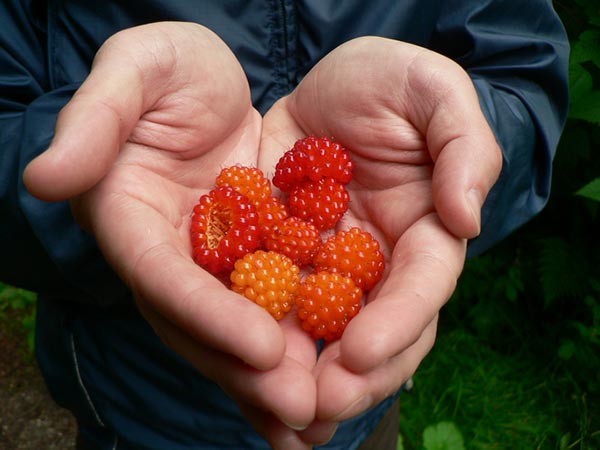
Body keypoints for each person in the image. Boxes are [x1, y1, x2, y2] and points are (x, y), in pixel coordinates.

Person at [1, 1, 569, 449]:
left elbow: (524, 67)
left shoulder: (310, 231)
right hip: (138, 399)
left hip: (357, 400)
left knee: (351, 402)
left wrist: (477, 139)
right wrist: (90, 192)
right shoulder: (259, 220)